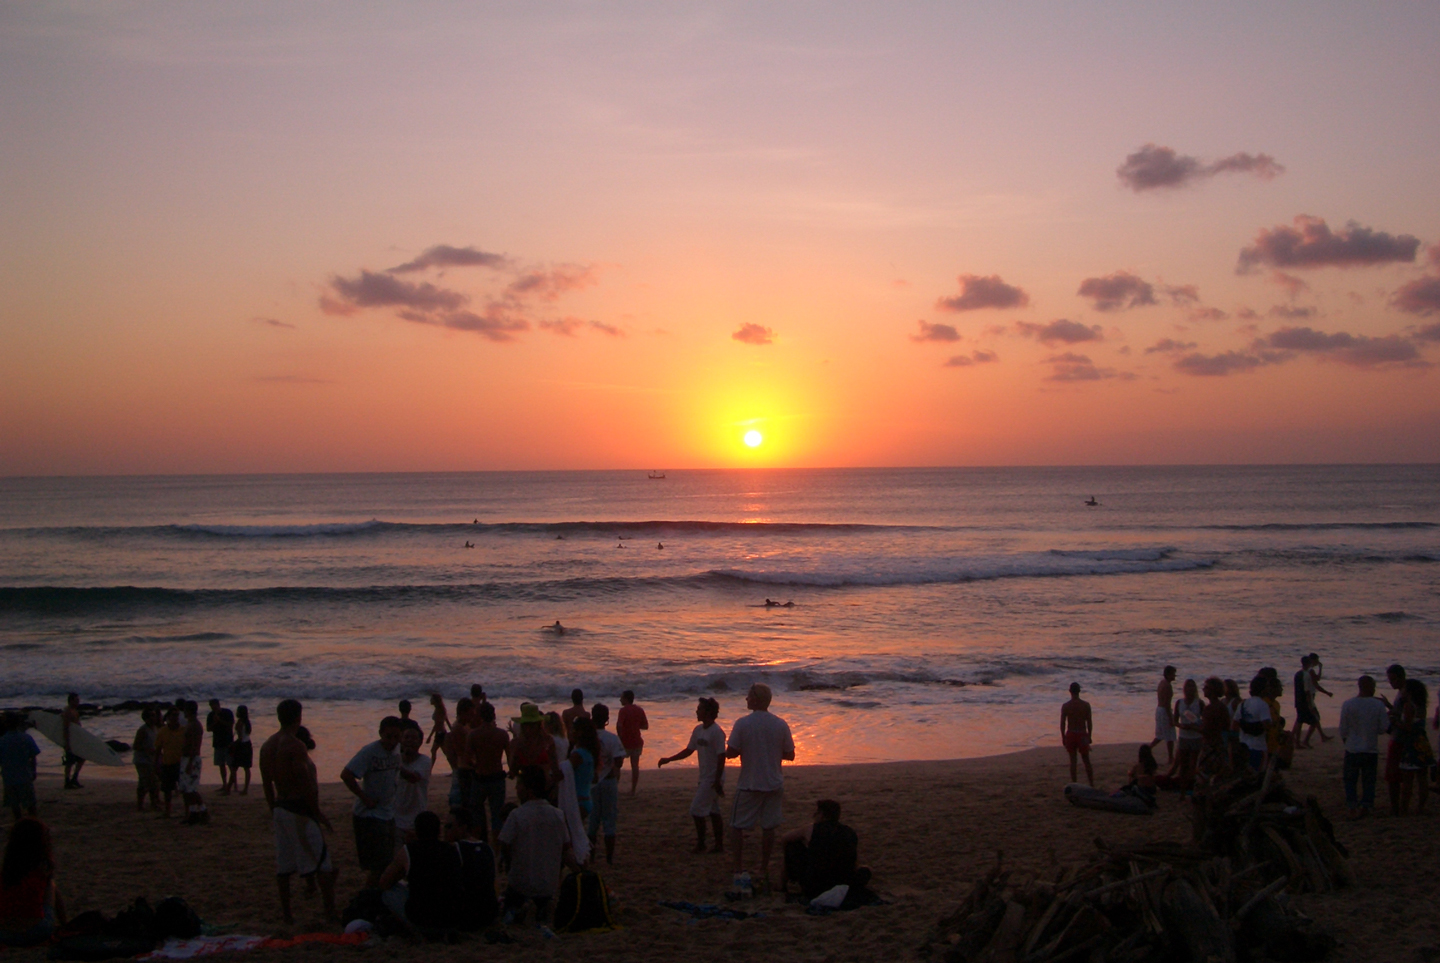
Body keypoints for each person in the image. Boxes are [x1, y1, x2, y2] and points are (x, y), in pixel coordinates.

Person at [259, 699, 337, 924]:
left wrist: (272, 808)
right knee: (322, 862)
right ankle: (329, 911)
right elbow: (306, 782)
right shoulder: (295, 746)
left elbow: (267, 784)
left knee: (284, 864)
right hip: (299, 808)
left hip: (280, 807)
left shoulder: (267, 746)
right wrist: (317, 812)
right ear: (298, 717)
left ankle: (287, 914)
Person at [725, 683, 795, 887]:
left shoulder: (743, 723)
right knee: (768, 827)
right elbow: (790, 754)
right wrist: (770, 752)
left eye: (748, 696)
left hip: (750, 783)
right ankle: (763, 867)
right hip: (773, 782)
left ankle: (738, 866)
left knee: (737, 826)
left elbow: (731, 752)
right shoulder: (780, 724)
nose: (746, 699)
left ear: (755, 699)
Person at [497, 766, 576, 927]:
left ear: (529, 791)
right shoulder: (558, 815)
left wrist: (507, 862)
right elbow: (566, 849)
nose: (516, 789)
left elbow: (504, 845)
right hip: (548, 886)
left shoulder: (517, 815)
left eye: (519, 785)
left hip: (521, 885)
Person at [377, 810, 465, 933]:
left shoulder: (410, 851)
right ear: (439, 831)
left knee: (388, 893)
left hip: (421, 919)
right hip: (452, 919)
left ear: (416, 831)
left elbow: (384, 883)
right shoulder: (452, 850)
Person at [658, 697, 726, 854]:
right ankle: (718, 845)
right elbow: (689, 750)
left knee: (696, 809)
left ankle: (702, 844)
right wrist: (669, 759)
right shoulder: (698, 730)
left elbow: (721, 757)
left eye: (699, 709)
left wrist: (717, 780)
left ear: (708, 712)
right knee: (713, 810)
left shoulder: (717, 732)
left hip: (712, 778)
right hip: (704, 776)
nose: (696, 711)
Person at [341, 717, 403, 887]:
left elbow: (395, 769)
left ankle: (378, 893)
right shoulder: (369, 752)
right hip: (369, 815)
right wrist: (364, 798)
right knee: (379, 865)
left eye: (396, 737)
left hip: (388, 812)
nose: (392, 741)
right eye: (388, 736)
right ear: (380, 733)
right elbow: (346, 775)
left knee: (388, 860)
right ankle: (370, 895)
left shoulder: (397, 749)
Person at [780, 800, 869, 904]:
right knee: (866, 870)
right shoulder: (850, 832)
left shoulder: (811, 829)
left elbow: (785, 838)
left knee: (792, 846)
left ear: (822, 815)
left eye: (817, 813)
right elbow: (854, 863)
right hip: (844, 881)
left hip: (816, 884)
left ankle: (784, 883)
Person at [0, 819, 66, 947]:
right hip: (35, 932)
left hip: (4, 934)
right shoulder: (42, 868)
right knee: (51, 885)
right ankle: (65, 925)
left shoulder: (7, 870)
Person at [1339, 675, 1390, 819]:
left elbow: (1343, 728)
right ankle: (1366, 805)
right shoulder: (1377, 705)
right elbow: (1384, 727)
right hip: (1370, 748)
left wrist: (1346, 741)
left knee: (1350, 780)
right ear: (1370, 687)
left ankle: (1352, 806)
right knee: (1369, 780)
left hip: (1352, 747)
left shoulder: (1348, 704)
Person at [587, 703, 627, 865]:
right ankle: (609, 858)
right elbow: (618, 761)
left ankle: (591, 857)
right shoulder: (612, 738)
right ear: (607, 719)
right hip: (608, 780)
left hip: (591, 781)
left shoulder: (587, 738)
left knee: (593, 821)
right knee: (609, 820)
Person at [448, 807, 499, 929]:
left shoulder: (456, 849)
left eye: (449, 826)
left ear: (463, 828)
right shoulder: (487, 848)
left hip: (467, 915)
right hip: (489, 913)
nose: (446, 830)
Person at [466, 702, 510, 843]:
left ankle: (479, 844)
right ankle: (496, 849)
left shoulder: (474, 734)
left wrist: (476, 764)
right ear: (494, 715)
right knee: (497, 815)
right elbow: (510, 757)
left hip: (480, 777)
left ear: (480, 716)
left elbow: (468, 759)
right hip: (497, 776)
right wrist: (513, 771)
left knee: (477, 815)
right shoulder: (502, 734)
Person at [1395, 678, 1433, 816]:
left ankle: (1404, 809)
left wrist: (1395, 722)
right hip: (1422, 742)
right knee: (1422, 778)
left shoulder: (1409, 706)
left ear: (1409, 691)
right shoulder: (1421, 705)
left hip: (1411, 743)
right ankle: (1421, 807)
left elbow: (1408, 727)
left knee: (1408, 779)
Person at [509, 704, 562, 794]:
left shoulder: (548, 741)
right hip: (525, 789)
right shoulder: (516, 743)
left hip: (545, 787)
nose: (528, 729)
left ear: (538, 725)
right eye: (526, 725)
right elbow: (513, 772)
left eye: (532, 725)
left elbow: (555, 768)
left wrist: (555, 786)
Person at [393, 726, 432, 840]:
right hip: (395, 817)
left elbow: (413, 778)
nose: (409, 740)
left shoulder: (424, 761)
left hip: (416, 817)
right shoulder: (395, 759)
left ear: (420, 742)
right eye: (406, 737)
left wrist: (395, 765)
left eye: (414, 738)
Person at [0, 715, 40, 822]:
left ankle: (19, 822)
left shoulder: (2, 740)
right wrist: (34, 771)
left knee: (15, 805)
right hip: (25, 775)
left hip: (9, 777)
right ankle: (34, 823)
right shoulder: (26, 738)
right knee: (30, 804)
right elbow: (33, 756)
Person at [1380, 664, 1408, 815]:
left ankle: (1396, 807)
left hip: (1399, 738)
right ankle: (1398, 806)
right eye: (1390, 680)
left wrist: (1392, 720)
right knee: (1400, 774)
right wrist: (1389, 706)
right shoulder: (1402, 693)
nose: (1391, 683)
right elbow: (1400, 713)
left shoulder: (1404, 694)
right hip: (1399, 736)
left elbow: (1405, 717)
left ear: (1402, 677)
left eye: (1393, 679)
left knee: (1393, 775)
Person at [1291, 655, 1333, 748]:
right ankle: (1304, 741)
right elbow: (1312, 687)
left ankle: (1296, 740)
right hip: (1307, 700)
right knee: (1314, 719)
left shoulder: (1298, 673)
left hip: (1299, 699)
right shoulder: (1308, 673)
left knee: (1300, 720)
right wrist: (1326, 693)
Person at [1196, 677, 1232, 784]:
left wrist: (1192, 727)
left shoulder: (1209, 709)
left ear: (1212, 690)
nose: (1203, 689)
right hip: (1220, 745)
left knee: (1203, 777)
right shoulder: (1222, 707)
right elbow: (1226, 726)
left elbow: (1206, 730)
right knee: (1218, 778)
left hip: (1209, 746)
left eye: (1206, 687)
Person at [1234, 676, 1272, 772]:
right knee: (1259, 773)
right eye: (1267, 686)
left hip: (1243, 745)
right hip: (1258, 746)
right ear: (1262, 689)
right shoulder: (1263, 704)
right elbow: (1266, 725)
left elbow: (1234, 724)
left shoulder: (1243, 704)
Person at [179, 701, 209, 824]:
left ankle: (201, 811)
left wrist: (190, 762)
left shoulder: (194, 725)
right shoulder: (191, 724)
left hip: (191, 758)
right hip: (187, 758)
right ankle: (195, 812)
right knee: (187, 789)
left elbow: (194, 745)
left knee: (191, 789)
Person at [1171, 679, 1204, 785]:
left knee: (1193, 764)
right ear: (1184, 689)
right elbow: (1175, 721)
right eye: (1188, 686)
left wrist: (1194, 727)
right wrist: (1181, 726)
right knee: (1183, 764)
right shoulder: (1179, 702)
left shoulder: (1199, 703)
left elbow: (1204, 721)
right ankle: (1183, 788)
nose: (1190, 689)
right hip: (1183, 736)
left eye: (1192, 686)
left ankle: (1190, 785)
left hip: (1196, 736)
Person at [154, 707, 186, 818]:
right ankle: (168, 811)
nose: (175, 717)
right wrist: (156, 764)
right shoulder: (162, 731)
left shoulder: (183, 730)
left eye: (177, 715)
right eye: (173, 715)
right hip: (167, 763)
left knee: (184, 789)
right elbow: (158, 750)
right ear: (168, 717)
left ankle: (187, 811)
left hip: (181, 763)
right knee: (167, 790)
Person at [1059, 683, 1092, 787]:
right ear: (1079, 691)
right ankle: (1091, 784)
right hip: (1082, 733)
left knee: (1073, 761)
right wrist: (1089, 736)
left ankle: (1074, 784)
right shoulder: (1085, 705)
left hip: (1071, 733)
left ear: (1070, 691)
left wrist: (1063, 736)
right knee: (1086, 760)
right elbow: (1089, 722)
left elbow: (1062, 723)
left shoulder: (1066, 706)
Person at [616, 691, 649, 795]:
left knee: (617, 765)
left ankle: (615, 788)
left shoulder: (623, 710)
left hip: (625, 741)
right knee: (635, 766)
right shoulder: (639, 710)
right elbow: (645, 726)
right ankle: (633, 789)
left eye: (621, 698)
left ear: (626, 699)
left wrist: (619, 737)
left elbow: (619, 725)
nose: (620, 700)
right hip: (637, 741)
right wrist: (634, 725)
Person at [443, 698, 473, 811]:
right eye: (469, 714)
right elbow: (461, 752)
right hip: (464, 769)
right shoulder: (459, 728)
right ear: (462, 713)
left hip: (464, 768)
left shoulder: (463, 726)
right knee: (464, 801)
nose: (471, 717)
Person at [567, 717, 599, 819]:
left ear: (579, 733)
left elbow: (562, 774)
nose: (570, 732)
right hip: (585, 797)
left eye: (573, 730)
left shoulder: (578, 755)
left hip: (578, 800)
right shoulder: (588, 752)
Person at [131, 708, 160, 812]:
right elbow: (136, 746)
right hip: (142, 760)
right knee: (148, 783)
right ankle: (143, 805)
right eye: (151, 716)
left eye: (154, 715)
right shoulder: (143, 730)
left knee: (151, 782)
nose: (154, 718)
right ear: (146, 718)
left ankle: (152, 804)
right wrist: (148, 750)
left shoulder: (155, 728)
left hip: (151, 760)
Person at [1148, 667, 1176, 767]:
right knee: (1170, 735)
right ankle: (1170, 758)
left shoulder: (1162, 683)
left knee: (1160, 735)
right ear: (1168, 674)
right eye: (1173, 674)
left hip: (1159, 709)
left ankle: (1148, 749)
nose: (1175, 676)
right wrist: (1171, 718)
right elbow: (1167, 703)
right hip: (1164, 710)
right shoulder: (1167, 686)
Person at [206, 699, 235, 795]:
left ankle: (234, 785)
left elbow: (230, 725)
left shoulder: (227, 713)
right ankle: (224, 784)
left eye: (214, 706)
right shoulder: (211, 715)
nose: (213, 708)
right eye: (211, 706)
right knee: (221, 764)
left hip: (228, 742)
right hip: (217, 742)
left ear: (218, 705)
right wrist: (215, 722)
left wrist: (220, 721)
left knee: (231, 765)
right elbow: (208, 729)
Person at [226, 705, 253, 795]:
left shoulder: (240, 723)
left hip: (241, 745)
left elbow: (240, 738)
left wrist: (232, 744)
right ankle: (245, 789)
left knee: (234, 767)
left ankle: (229, 788)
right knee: (246, 768)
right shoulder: (247, 722)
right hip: (248, 744)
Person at [60, 694, 84, 790]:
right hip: (70, 740)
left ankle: (74, 779)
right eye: (76, 700)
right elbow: (65, 728)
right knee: (69, 762)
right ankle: (67, 781)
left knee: (82, 758)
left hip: (76, 740)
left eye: (78, 700)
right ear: (71, 701)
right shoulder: (68, 712)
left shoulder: (75, 711)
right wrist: (67, 743)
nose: (78, 702)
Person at [427, 694, 450, 765]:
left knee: (434, 750)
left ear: (435, 700)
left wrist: (430, 736)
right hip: (440, 733)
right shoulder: (440, 709)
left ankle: (430, 768)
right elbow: (447, 721)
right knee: (445, 752)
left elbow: (437, 725)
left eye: (432, 699)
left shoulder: (439, 710)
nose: (430, 700)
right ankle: (454, 767)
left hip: (440, 733)